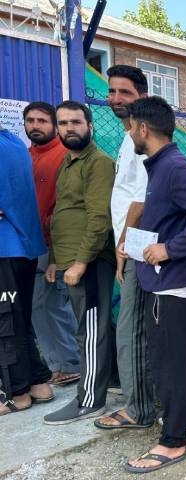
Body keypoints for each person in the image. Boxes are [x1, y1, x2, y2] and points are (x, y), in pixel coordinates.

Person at [124, 96, 186, 473]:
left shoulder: (175, 167)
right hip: (166, 282)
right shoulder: (162, 165)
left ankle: (172, 441)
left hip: (173, 285)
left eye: (130, 127)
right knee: (178, 361)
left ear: (143, 128)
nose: (129, 133)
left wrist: (170, 248)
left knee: (169, 366)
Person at [43, 101, 116, 425]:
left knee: (89, 331)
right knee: (96, 326)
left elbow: (99, 218)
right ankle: (113, 380)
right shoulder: (68, 162)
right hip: (69, 259)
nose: (69, 128)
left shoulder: (98, 163)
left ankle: (89, 400)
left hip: (90, 261)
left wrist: (80, 263)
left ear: (90, 126)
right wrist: (55, 261)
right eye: (63, 123)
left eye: (75, 122)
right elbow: (63, 213)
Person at [94, 65, 156, 430]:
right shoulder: (127, 136)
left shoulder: (142, 137)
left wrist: (122, 246)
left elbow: (142, 198)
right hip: (130, 244)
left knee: (131, 328)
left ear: (142, 97)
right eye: (112, 91)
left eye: (125, 92)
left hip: (137, 245)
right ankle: (142, 401)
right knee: (133, 326)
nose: (116, 99)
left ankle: (139, 408)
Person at [23, 102, 80, 387]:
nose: (36, 125)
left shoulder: (64, 156)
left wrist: (57, 251)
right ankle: (58, 364)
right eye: (31, 120)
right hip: (29, 243)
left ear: (54, 126)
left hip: (54, 244)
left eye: (42, 121)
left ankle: (71, 363)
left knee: (53, 304)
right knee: (37, 306)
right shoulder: (27, 155)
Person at [0, 125, 53, 416]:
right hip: (24, 247)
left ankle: (16, 394)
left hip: (5, 248)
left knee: (5, 323)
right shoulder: (14, 142)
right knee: (18, 319)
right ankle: (37, 383)